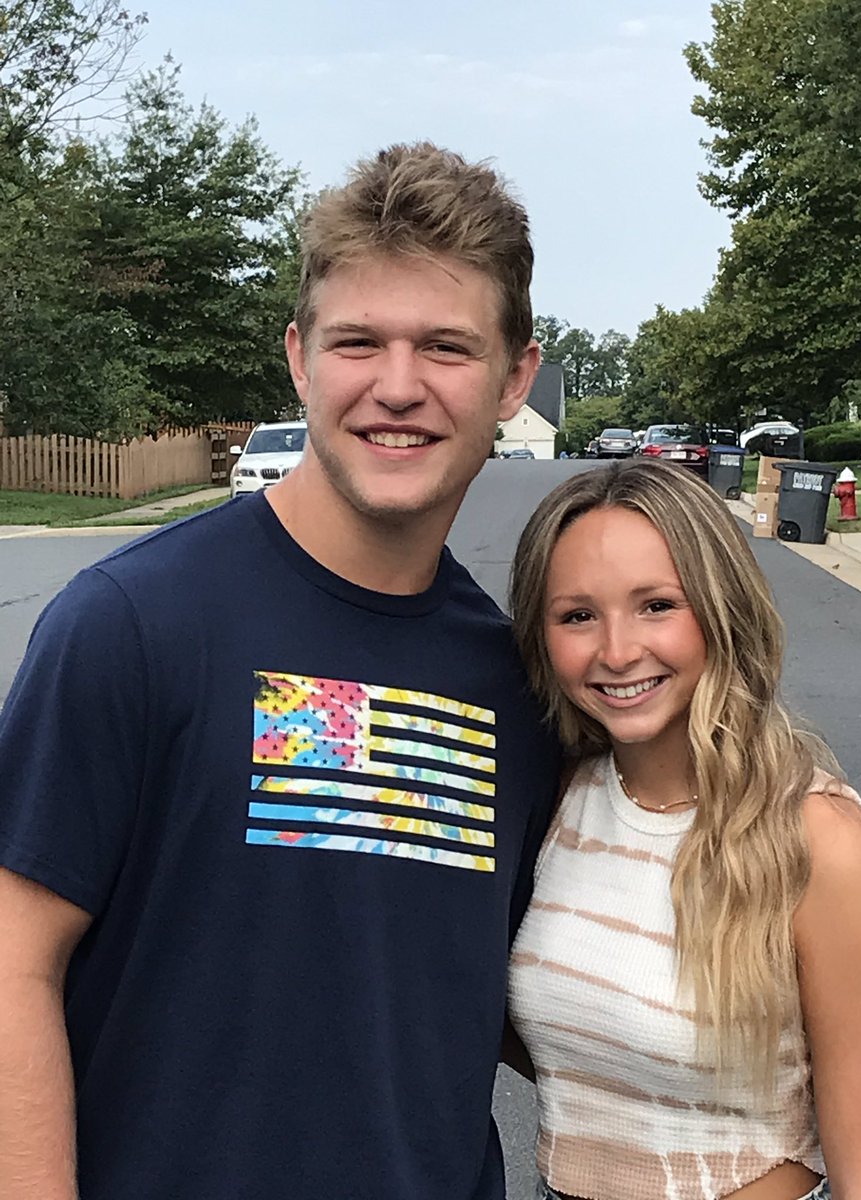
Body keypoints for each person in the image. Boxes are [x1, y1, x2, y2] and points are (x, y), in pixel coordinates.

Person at [0, 142, 560, 1200]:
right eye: (359, 342)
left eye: (446, 346)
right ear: (301, 359)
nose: (399, 387)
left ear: (514, 377)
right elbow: (12, 959)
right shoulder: (134, 625)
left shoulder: (518, 681)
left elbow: (530, 993)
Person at [506, 458, 861, 1200]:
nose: (617, 651)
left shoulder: (816, 838)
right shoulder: (556, 803)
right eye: (577, 615)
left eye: (657, 605)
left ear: (721, 609)